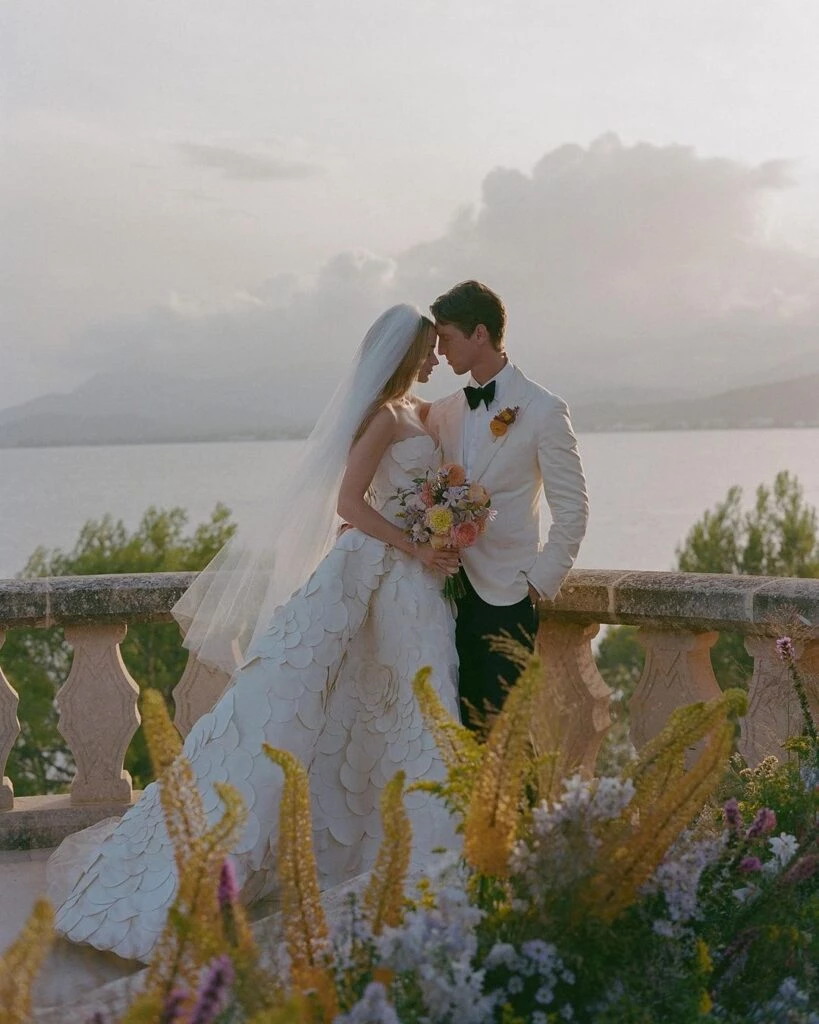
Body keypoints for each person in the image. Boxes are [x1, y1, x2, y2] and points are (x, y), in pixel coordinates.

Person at [48, 305, 462, 964]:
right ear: (402, 354)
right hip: (378, 569)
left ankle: (398, 852)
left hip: (406, 580)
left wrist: (447, 525)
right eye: (426, 351)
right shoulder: (383, 418)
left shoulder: (417, 410)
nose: (435, 358)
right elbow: (348, 505)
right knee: (303, 704)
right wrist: (415, 545)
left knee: (387, 707)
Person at [427, 280, 588, 726]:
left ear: (479, 334)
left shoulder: (543, 410)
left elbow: (572, 510)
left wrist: (534, 584)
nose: (440, 352)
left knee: (504, 738)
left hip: (507, 598)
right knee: (453, 735)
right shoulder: (445, 411)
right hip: (443, 599)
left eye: (447, 337)